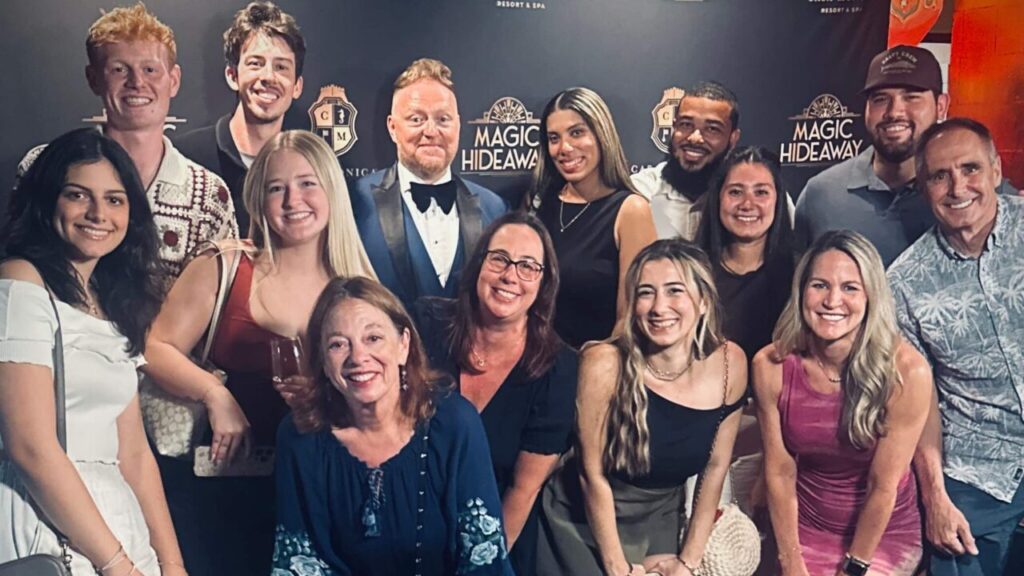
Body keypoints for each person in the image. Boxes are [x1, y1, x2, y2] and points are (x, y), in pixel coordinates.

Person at [143, 130, 376, 575]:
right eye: (276, 187)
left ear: (331, 189)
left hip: (324, 495)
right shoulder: (225, 265)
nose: (293, 200)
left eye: (308, 183)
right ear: (258, 198)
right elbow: (156, 347)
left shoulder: (361, 287)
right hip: (225, 495)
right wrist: (216, 396)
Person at [0, 128, 185, 574]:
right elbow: (31, 448)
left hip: (117, 524)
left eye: (115, 200)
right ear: (48, 202)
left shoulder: (112, 300)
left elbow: (135, 455)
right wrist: (117, 565)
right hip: (46, 525)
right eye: (78, 196)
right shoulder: (20, 283)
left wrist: (171, 564)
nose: (98, 213)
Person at [274, 276, 514, 575]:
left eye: (373, 338)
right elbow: (297, 562)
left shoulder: (455, 424)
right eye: (338, 344)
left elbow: (484, 560)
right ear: (322, 360)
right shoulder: (300, 436)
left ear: (403, 345)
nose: (359, 357)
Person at [537, 239, 747, 576]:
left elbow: (716, 466)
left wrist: (688, 562)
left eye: (675, 291)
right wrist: (616, 567)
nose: (659, 307)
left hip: (661, 517)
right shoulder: (603, 363)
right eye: (646, 293)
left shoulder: (729, 364)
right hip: (583, 520)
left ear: (704, 301)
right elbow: (591, 474)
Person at [888, 118, 1024, 575]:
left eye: (970, 169)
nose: (957, 186)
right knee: (953, 559)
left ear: (996, 171)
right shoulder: (904, 283)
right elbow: (918, 402)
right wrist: (935, 497)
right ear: (923, 188)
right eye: (939, 176)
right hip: (975, 470)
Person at [17, 2, 238, 282]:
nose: (137, 82)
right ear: (93, 79)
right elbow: (17, 271)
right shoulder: (44, 167)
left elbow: (222, 298)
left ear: (174, 80)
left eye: (150, 70)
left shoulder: (209, 196)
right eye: (120, 70)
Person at [753, 230, 931, 576]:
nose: (832, 301)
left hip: (882, 534)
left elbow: (883, 486)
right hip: (802, 526)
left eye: (850, 287)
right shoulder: (770, 366)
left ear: (870, 296)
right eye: (819, 285)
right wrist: (791, 562)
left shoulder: (908, 372)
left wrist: (854, 567)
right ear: (801, 290)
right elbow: (780, 471)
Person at [415, 211, 577, 576]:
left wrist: (479, 566)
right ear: (478, 265)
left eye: (528, 267)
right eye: (500, 259)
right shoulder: (426, 324)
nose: (510, 276)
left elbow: (522, 489)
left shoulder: (559, 367)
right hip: (411, 524)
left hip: (498, 538)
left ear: (543, 283)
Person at [794, 45, 1016, 267]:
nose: (894, 112)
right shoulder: (821, 195)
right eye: (880, 99)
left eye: (911, 97)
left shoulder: (980, 193)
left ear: (941, 106)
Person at [351, 58, 507, 314]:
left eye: (443, 119)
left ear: (457, 125)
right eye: (416, 119)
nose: (431, 131)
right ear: (392, 127)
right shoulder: (354, 202)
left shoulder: (495, 208)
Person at [528, 87, 657, 348]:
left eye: (577, 133)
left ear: (602, 135)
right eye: (554, 138)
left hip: (591, 368)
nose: (564, 148)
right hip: (531, 361)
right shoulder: (541, 204)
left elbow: (629, 320)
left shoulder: (630, 210)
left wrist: (596, 364)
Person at [175, 0, 305, 236]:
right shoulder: (184, 158)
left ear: (297, 86)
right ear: (232, 75)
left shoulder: (310, 166)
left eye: (282, 67)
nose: (268, 77)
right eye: (256, 64)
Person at [695, 146, 795, 361]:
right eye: (735, 192)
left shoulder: (800, 277)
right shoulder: (691, 274)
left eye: (761, 192)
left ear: (778, 200)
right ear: (718, 198)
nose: (747, 204)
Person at [631, 81, 742, 240]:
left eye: (712, 129)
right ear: (673, 126)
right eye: (686, 125)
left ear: (733, 138)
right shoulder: (639, 192)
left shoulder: (756, 199)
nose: (694, 138)